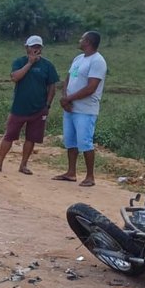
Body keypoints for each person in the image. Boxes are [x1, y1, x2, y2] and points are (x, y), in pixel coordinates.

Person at [0, 35, 58, 174]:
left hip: (38, 108)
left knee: (31, 138)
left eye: (38, 47)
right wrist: (29, 64)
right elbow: (15, 77)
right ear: (26, 47)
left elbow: (52, 86)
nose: (36, 49)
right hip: (19, 107)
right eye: (33, 46)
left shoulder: (48, 66)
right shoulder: (19, 62)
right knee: (9, 135)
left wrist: (47, 105)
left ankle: (23, 165)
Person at [53, 31, 106, 186]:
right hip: (70, 107)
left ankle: (90, 176)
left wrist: (68, 99)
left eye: (82, 38)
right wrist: (65, 97)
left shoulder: (97, 61)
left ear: (88, 41)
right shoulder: (78, 59)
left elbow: (91, 88)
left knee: (85, 141)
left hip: (85, 109)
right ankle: (71, 172)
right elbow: (69, 78)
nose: (79, 40)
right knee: (70, 140)